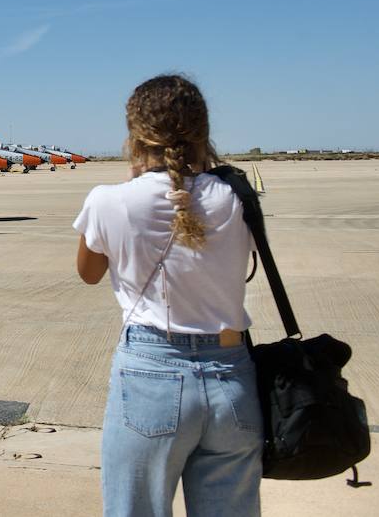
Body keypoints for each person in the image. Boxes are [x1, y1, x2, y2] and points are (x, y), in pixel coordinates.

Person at [73, 74, 261, 517]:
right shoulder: (237, 197)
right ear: (203, 131)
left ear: (136, 135)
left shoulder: (108, 200)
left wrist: (132, 185)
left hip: (151, 374)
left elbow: (88, 273)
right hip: (231, 376)